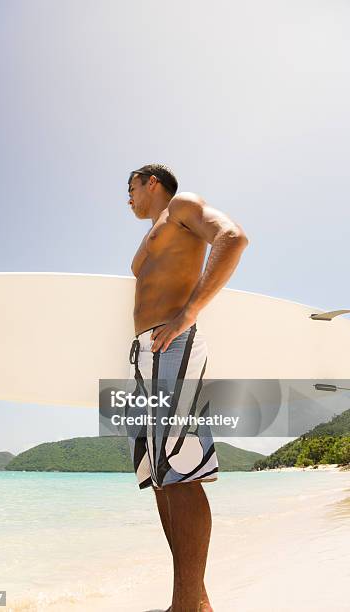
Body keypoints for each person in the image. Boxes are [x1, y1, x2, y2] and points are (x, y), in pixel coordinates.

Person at [127, 164, 248, 612]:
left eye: (131, 187)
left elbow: (232, 237)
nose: (128, 197)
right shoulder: (147, 239)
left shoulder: (183, 205)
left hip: (173, 343)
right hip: (143, 353)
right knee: (159, 479)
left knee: (180, 472)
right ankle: (194, 601)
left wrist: (189, 313)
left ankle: (185, 606)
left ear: (151, 183)